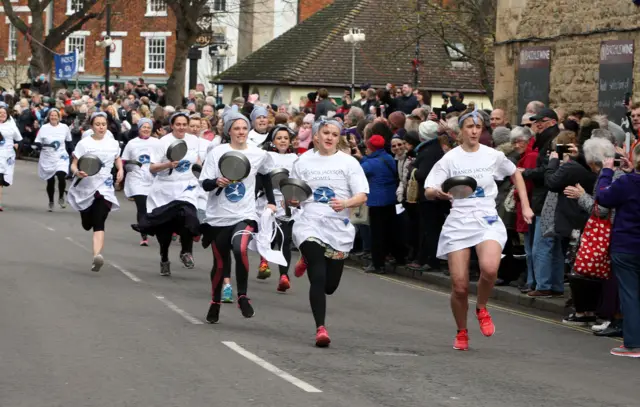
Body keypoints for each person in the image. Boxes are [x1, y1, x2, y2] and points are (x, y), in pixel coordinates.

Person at [425, 107, 534, 351]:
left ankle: (481, 307)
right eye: (469, 127)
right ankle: (461, 331)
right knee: (460, 286)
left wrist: (524, 206)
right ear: (460, 131)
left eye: (478, 127)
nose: (474, 131)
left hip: (486, 219)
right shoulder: (450, 159)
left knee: (489, 268)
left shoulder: (492, 156)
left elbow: (515, 173)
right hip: (459, 221)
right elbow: (429, 188)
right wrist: (438, 193)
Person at [288, 118, 369, 347]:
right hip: (309, 222)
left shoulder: (349, 163)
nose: (330, 137)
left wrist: (345, 203)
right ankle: (320, 328)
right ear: (316, 135)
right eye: (325, 132)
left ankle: (307, 259)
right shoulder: (303, 161)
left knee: (330, 286)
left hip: (338, 227)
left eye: (334, 133)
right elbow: (294, 194)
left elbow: (362, 195)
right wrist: (293, 200)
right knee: (318, 274)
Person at [200, 107, 277, 324]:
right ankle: (215, 302)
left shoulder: (259, 153)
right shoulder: (217, 152)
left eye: (244, 128)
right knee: (220, 263)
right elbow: (204, 183)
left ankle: (242, 296)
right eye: (236, 128)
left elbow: (266, 174)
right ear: (229, 131)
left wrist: (271, 201)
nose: (241, 132)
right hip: (217, 217)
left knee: (240, 248)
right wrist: (217, 182)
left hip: (244, 214)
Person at [133, 112, 201, 276]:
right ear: (172, 125)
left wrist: (202, 171)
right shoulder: (163, 142)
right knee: (165, 229)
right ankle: (164, 257)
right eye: (178, 124)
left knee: (188, 216)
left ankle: (186, 251)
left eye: (184, 124)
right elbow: (152, 167)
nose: (181, 127)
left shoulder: (193, 140)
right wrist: (168, 164)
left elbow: (197, 160)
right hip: (165, 189)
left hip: (187, 186)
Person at [596, 144, 640, 358]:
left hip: (627, 245)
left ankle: (633, 344)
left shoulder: (626, 183)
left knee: (630, 295)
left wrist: (606, 172)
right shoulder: (630, 180)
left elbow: (603, 198)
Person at [67, 112, 123, 271]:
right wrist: (77, 172)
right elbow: (74, 164)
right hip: (86, 187)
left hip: (104, 187)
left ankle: (97, 256)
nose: (101, 127)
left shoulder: (113, 143)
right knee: (87, 223)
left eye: (103, 124)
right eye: (97, 124)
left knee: (100, 220)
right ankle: (86, 219)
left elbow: (117, 158)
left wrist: (120, 170)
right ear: (92, 126)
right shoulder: (84, 144)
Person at [255, 125, 298, 291]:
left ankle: (284, 276)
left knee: (284, 240)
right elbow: (260, 179)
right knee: (268, 234)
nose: (282, 141)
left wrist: (293, 197)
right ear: (272, 140)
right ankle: (264, 262)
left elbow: (296, 180)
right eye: (279, 138)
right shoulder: (266, 156)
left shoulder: (295, 158)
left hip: (286, 203)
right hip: (267, 201)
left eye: (286, 138)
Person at [121, 118, 160, 246]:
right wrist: (123, 169)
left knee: (153, 208)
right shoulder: (132, 143)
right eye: (144, 127)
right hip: (136, 179)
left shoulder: (157, 143)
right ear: (139, 128)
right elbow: (124, 160)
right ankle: (144, 235)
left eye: (149, 127)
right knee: (142, 206)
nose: (146, 129)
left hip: (153, 178)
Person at [34, 109, 72, 211]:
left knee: (61, 176)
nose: (54, 117)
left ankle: (61, 197)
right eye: (52, 115)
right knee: (50, 181)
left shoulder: (64, 127)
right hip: (48, 156)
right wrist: (40, 146)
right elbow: (37, 141)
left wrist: (71, 153)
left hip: (61, 156)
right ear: (49, 117)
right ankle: (51, 201)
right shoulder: (44, 128)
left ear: (59, 117)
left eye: (56, 115)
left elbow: (69, 141)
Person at [0, 105, 23, 211]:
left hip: (7, 155)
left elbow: (19, 139)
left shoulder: (11, 126)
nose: (2, 115)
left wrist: (16, 145)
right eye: (0, 113)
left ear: (7, 115)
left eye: (4, 113)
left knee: (3, 180)